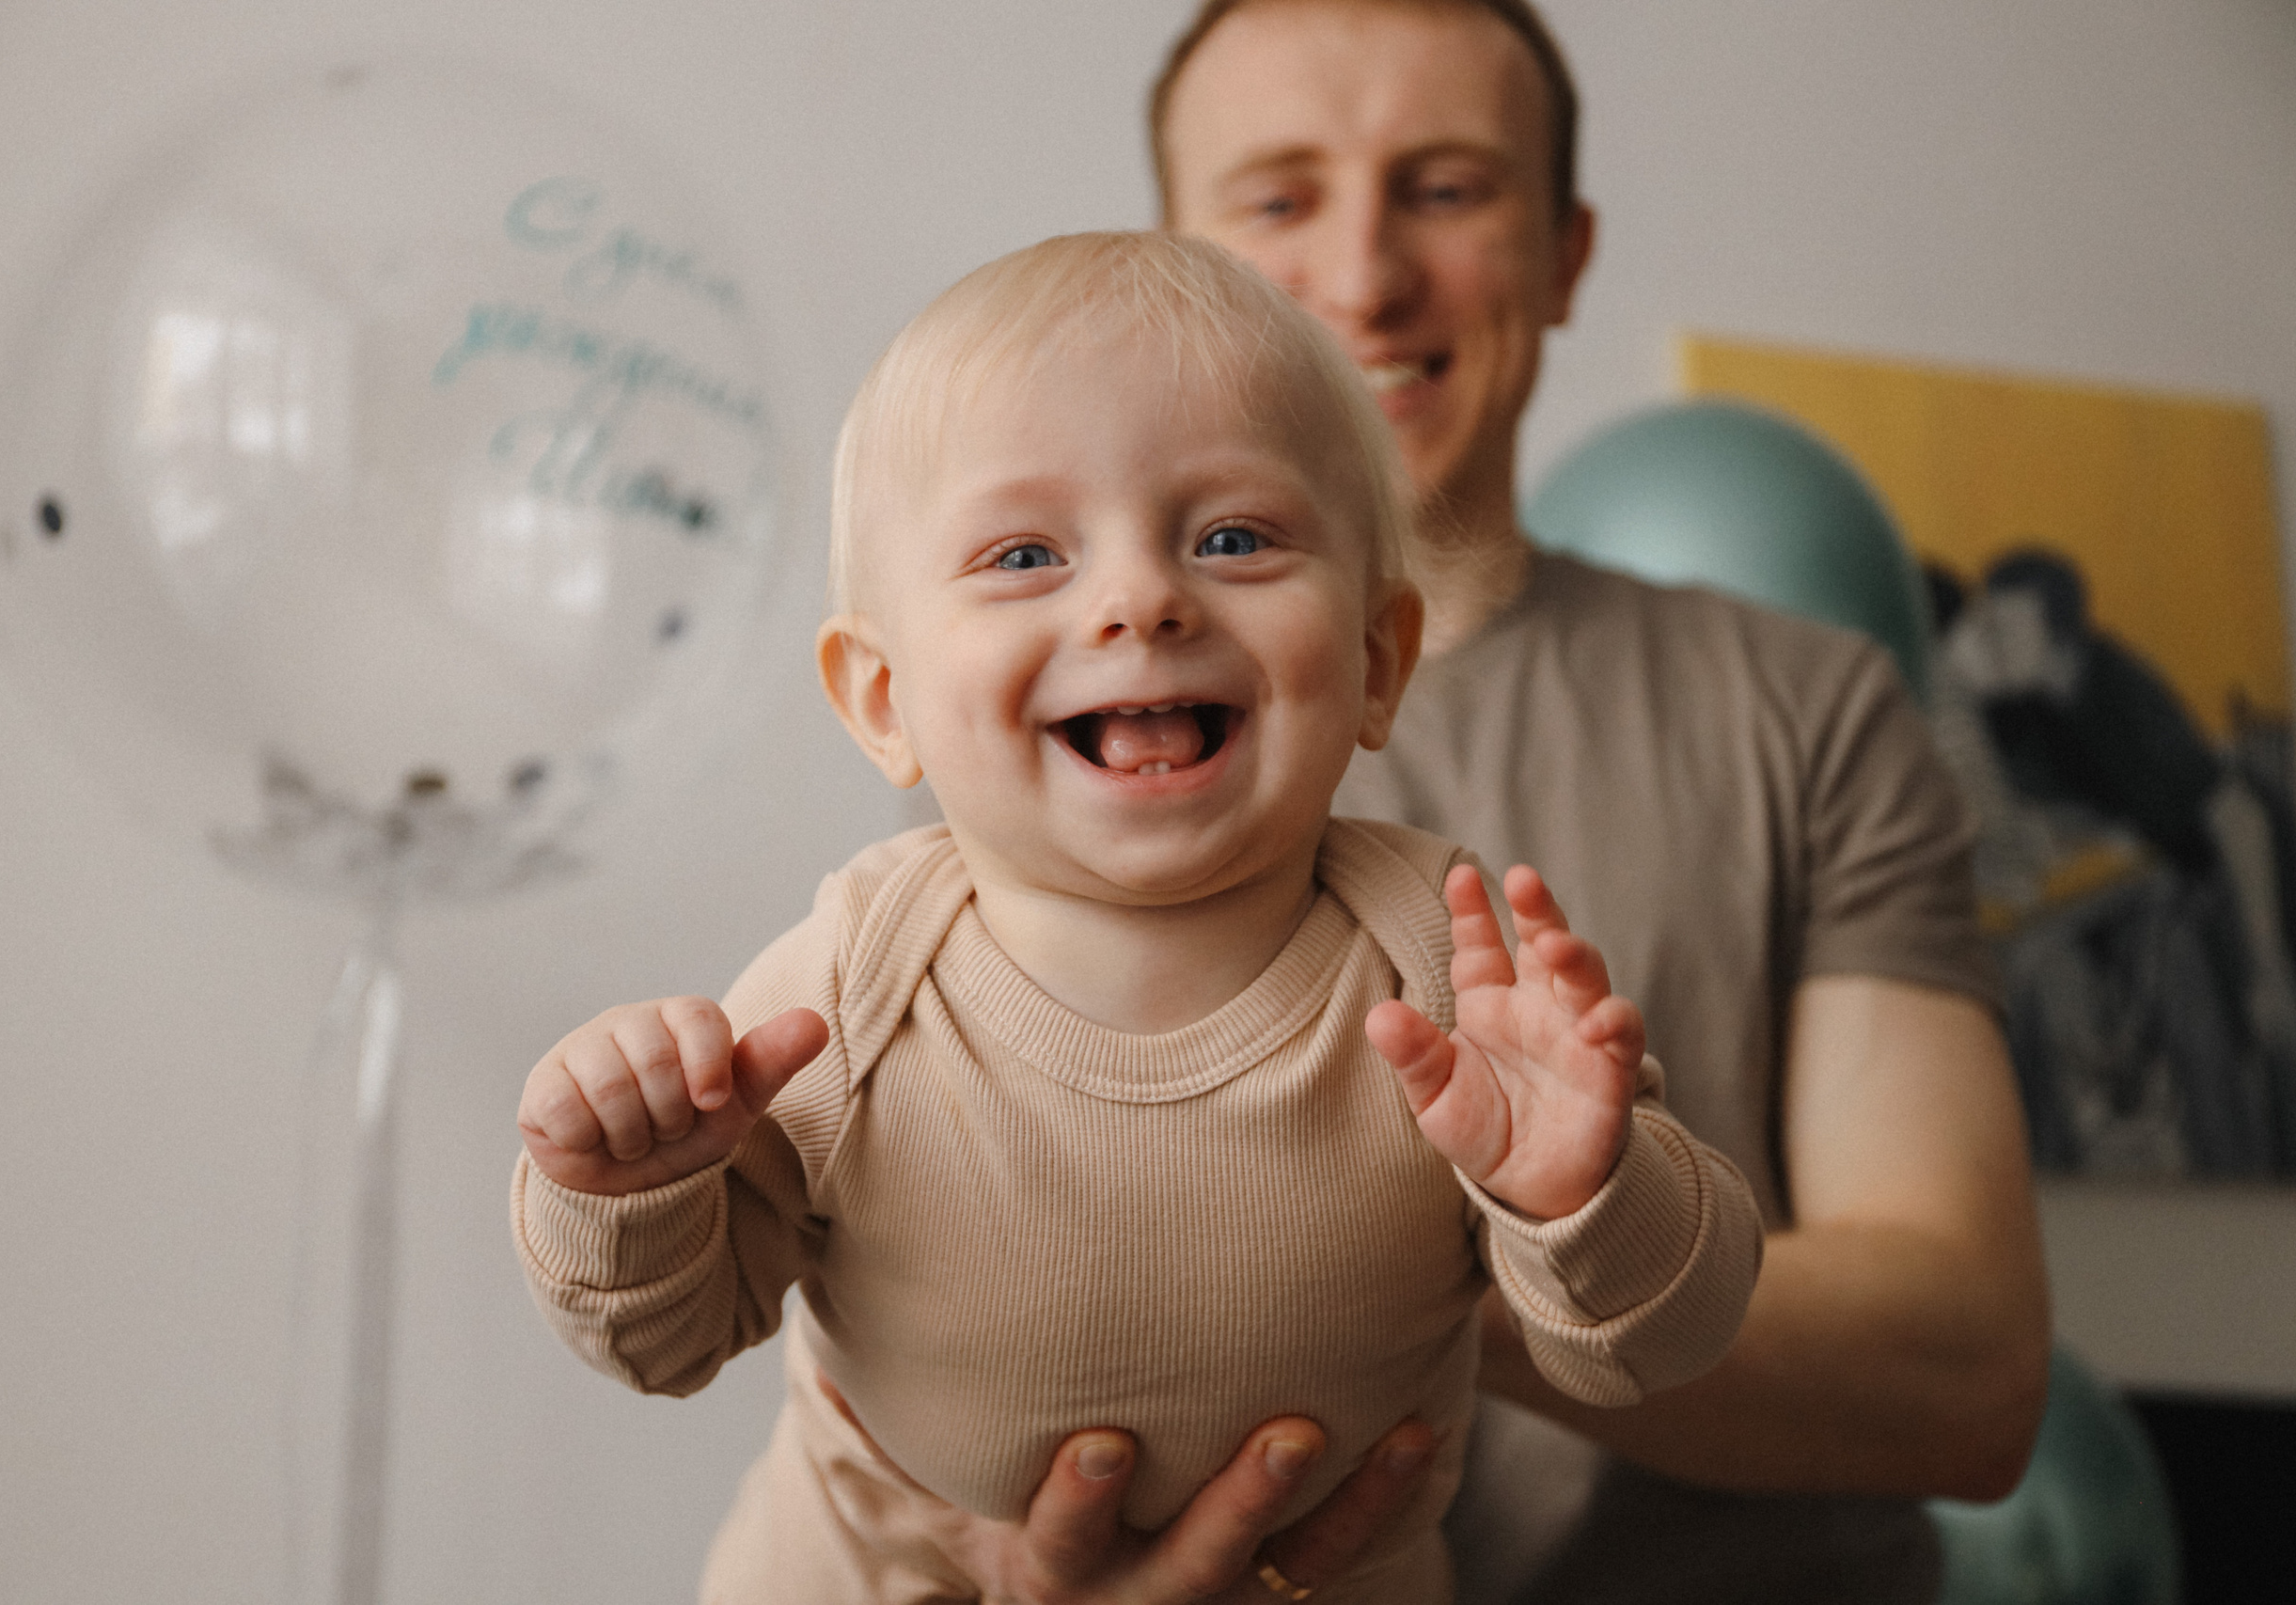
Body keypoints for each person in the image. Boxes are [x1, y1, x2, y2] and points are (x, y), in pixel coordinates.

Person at [879, 3, 2053, 1600]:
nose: (1364, 279)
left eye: (1447, 189)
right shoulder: (1037, 739)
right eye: (1280, 199)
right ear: (1177, 269)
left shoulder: (1810, 710)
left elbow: (1965, 1377)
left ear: (1565, 254)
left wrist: (1398, 1268)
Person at [509, 231, 1763, 1603]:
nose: (1141, 599)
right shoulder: (851, 982)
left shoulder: (1447, 961)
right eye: (1025, 553)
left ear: (1373, 660)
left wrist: (1586, 1192)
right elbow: (664, 1345)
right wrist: (625, 1195)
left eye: (1233, 536)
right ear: (884, 700)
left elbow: (1656, 1346)